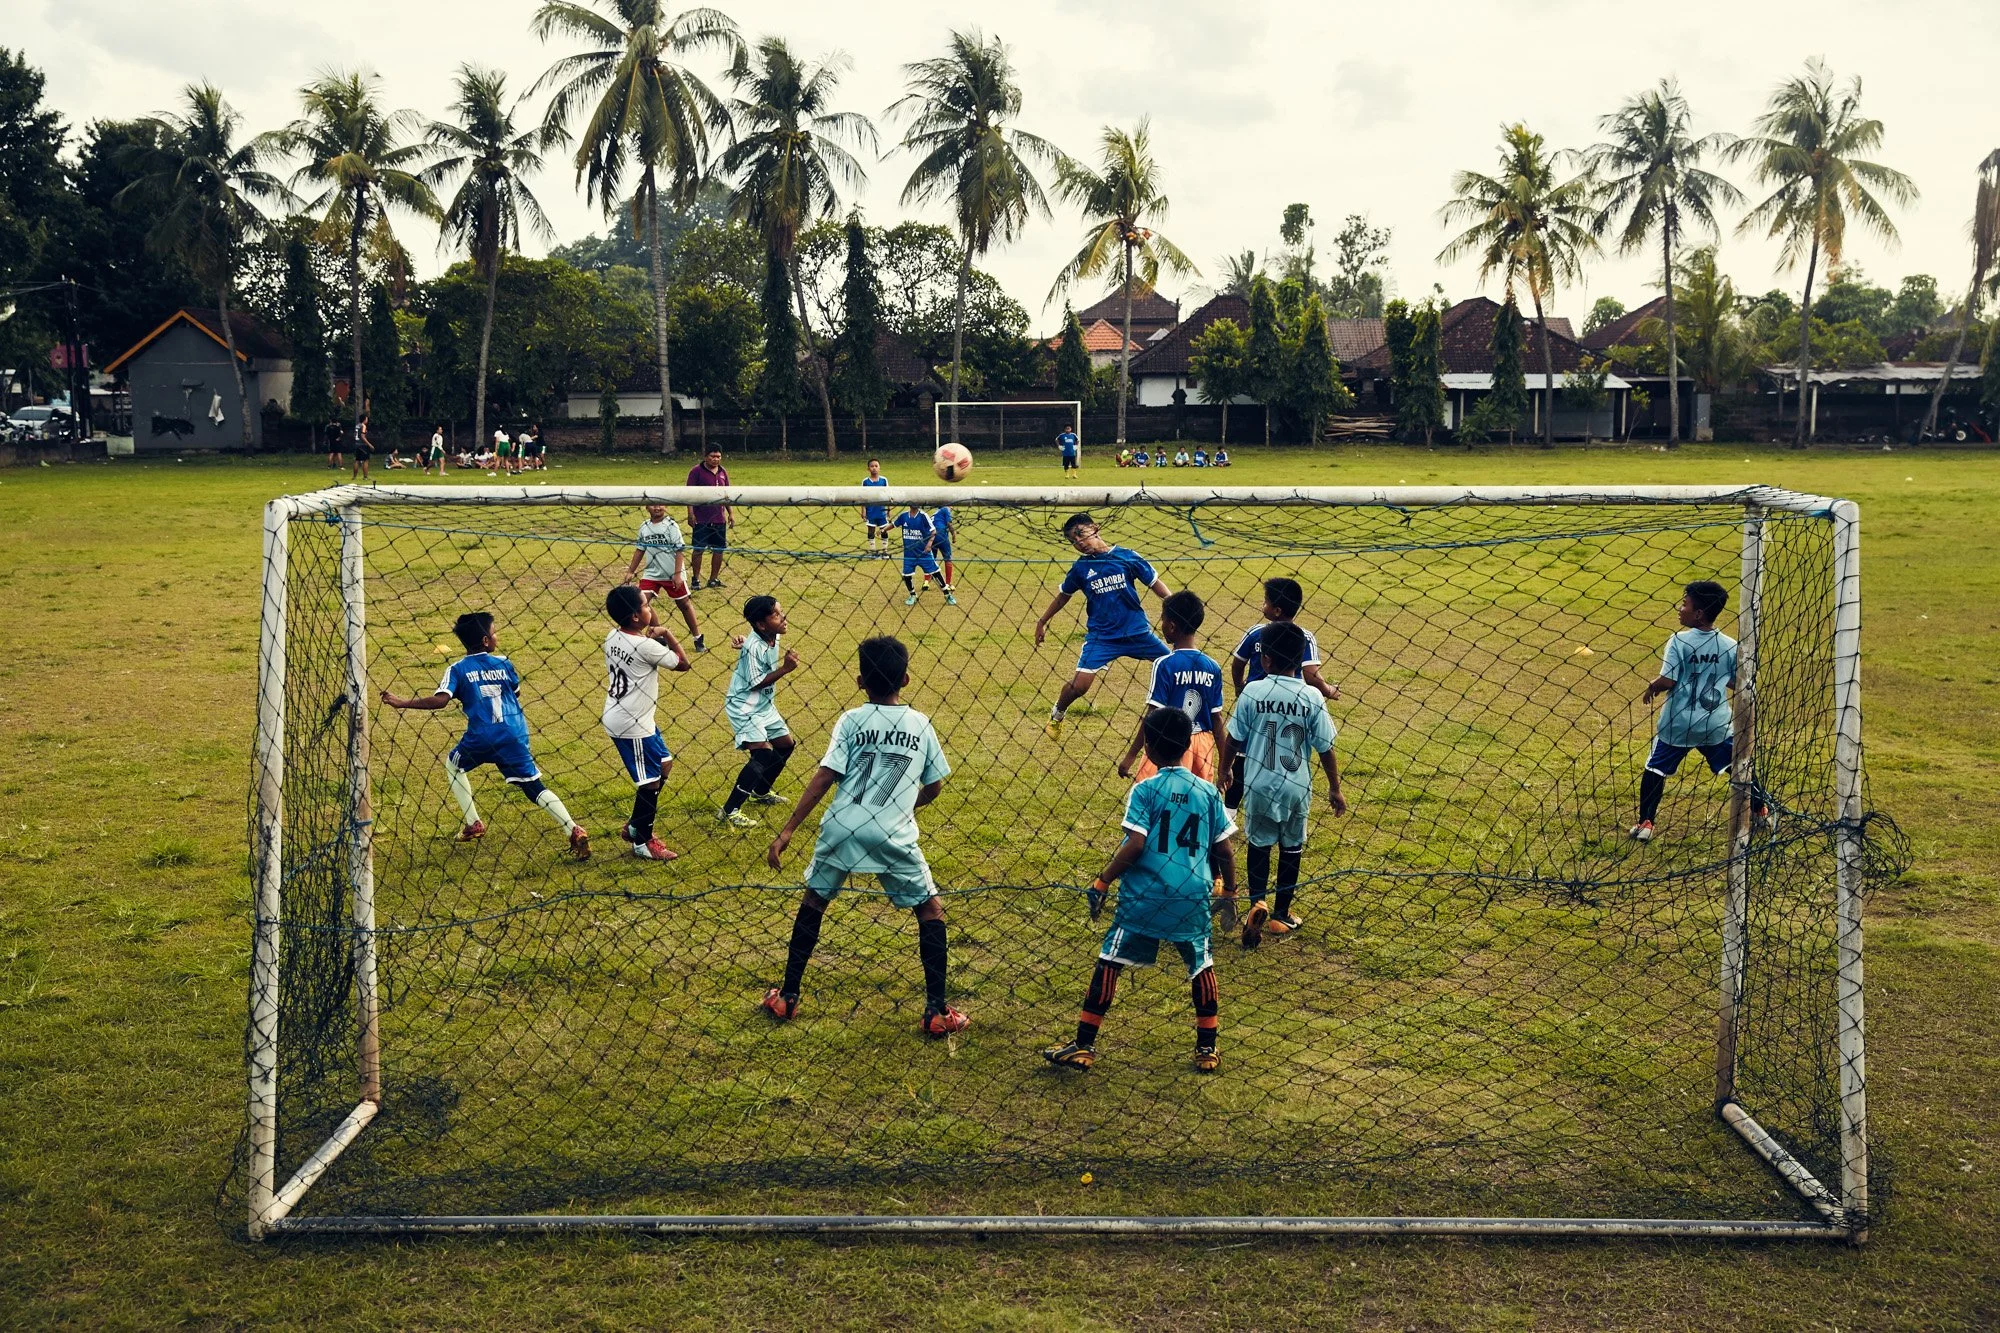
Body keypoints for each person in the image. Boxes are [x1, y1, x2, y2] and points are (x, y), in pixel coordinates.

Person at [763, 635, 967, 1038]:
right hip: (893, 831)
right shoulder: (920, 723)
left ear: (859, 682)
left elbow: (826, 775)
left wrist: (788, 830)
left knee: (814, 901)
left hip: (842, 825)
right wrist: (906, 806)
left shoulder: (851, 720)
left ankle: (787, 996)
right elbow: (936, 785)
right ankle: (936, 1010)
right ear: (906, 679)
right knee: (930, 910)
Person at [1042, 708, 1236, 1074]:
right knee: (1201, 964)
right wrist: (1230, 894)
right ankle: (1207, 1049)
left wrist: (1102, 882)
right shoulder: (1208, 793)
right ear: (1186, 746)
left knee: (1110, 961)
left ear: (1148, 746)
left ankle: (1083, 1045)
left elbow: (1135, 845)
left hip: (1144, 896)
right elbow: (1224, 850)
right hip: (1192, 895)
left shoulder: (1145, 790)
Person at [379, 611, 590, 860]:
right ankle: (572, 828)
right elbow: (515, 693)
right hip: (513, 734)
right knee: (534, 786)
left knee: (453, 765)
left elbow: (440, 701)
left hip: (481, 737)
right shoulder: (503, 663)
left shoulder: (457, 669)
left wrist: (402, 702)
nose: (496, 635)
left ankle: (473, 822)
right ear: (486, 640)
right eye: (494, 632)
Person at [1218, 622, 1345, 947]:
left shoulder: (1253, 692)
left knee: (1259, 845)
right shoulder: (1311, 695)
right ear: (1299, 659)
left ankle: (1257, 902)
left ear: (1265, 661)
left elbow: (1233, 740)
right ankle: (1280, 915)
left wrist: (1225, 770)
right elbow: (1325, 748)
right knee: (1292, 847)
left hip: (1259, 783)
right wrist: (1335, 788)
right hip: (1296, 786)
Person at [1631, 580, 1760, 842]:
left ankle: (1646, 823)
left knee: (1655, 770)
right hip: (1715, 724)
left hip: (1678, 724)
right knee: (1738, 765)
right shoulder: (1730, 645)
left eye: (1685, 604)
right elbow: (1736, 683)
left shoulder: (1678, 641)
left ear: (1698, 613)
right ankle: (1762, 809)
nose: (1680, 609)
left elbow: (1669, 680)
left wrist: (1652, 687)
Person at [1035, 513, 1173, 739]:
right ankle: (1057, 713)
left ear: (1095, 528)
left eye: (1080, 534)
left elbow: (1155, 584)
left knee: (1173, 665)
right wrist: (1042, 621)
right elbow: (1063, 595)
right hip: (1102, 638)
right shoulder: (1081, 568)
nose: (1079, 542)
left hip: (1138, 633)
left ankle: (1181, 715)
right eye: (1073, 541)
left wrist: (1176, 605)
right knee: (1080, 687)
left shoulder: (1126, 557)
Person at [601, 585, 692, 860]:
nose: (650, 608)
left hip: (632, 715)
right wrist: (666, 633)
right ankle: (643, 841)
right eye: (645, 605)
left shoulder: (613, 635)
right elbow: (683, 664)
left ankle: (634, 825)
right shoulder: (646, 646)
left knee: (665, 763)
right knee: (650, 781)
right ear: (635, 617)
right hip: (632, 723)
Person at [1116, 591, 1223, 785]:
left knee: (1156, 797)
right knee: (1195, 801)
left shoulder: (1164, 664)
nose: (1161, 624)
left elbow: (1152, 714)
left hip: (1168, 743)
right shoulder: (1212, 666)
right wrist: (1224, 766)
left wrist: (1130, 756)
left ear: (1172, 626)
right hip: (1202, 746)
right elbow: (1217, 718)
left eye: (1163, 619)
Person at [721, 595, 800, 828]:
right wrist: (785, 669)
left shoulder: (770, 636)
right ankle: (730, 810)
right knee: (763, 753)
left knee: (786, 745)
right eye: (776, 615)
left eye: (781, 611)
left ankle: (760, 791)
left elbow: (754, 644)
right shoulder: (754, 646)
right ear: (761, 624)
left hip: (764, 705)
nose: (783, 617)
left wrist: (744, 642)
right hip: (744, 706)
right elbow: (756, 682)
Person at [626, 504, 706, 651]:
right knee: (640, 601)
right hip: (651, 573)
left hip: (672, 573)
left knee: (684, 605)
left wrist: (677, 574)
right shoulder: (644, 526)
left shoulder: (671, 525)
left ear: (666, 506)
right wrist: (631, 571)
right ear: (646, 507)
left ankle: (697, 638)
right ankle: (659, 633)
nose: (657, 508)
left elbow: (679, 550)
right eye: (653, 505)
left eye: (660, 505)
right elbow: (639, 550)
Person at [686, 446, 733, 588]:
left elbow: (727, 495)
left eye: (718, 456)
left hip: (719, 519)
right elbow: (689, 494)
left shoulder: (723, 472)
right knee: (698, 549)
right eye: (712, 456)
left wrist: (730, 513)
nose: (715, 459)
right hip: (701, 519)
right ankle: (695, 579)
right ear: (705, 456)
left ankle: (713, 579)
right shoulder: (696, 471)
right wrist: (690, 513)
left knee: (719, 549)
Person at [895, 501, 954, 606]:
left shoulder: (924, 516)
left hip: (924, 552)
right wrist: (883, 529)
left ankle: (947, 593)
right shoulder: (904, 516)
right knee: (906, 576)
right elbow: (893, 524)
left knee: (935, 571)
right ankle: (913, 595)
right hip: (909, 554)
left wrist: (929, 544)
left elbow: (933, 531)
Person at [861, 458, 891, 558]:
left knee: (884, 530)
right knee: (871, 530)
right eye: (872, 466)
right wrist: (863, 511)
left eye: (876, 466)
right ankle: (873, 551)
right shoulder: (865, 482)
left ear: (879, 468)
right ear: (868, 469)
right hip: (871, 511)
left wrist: (888, 510)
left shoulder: (883, 480)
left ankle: (884, 551)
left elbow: (888, 495)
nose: (874, 468)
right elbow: (862, 497)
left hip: (881, 510)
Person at [931, 501, 957, 598]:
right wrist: (954, 535)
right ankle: (948, 583)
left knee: (931, 559)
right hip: (941, 535)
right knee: (948, 558)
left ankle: (926, 581)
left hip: (931, 536)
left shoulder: (936, 512)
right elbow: (949, 523)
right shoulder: (946, 509)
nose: (952, 508)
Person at [350, 416, 374, 481]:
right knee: (365, 461)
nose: (367, 420)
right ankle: (365, 477)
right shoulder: (363, 426)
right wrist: (369, 444)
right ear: (364, 419)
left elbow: (355, 434)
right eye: (366, 419)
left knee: (356, 460)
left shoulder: (357, 425)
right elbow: (363, 436)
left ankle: (354, 477)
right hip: (362, 445)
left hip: (356, 444)